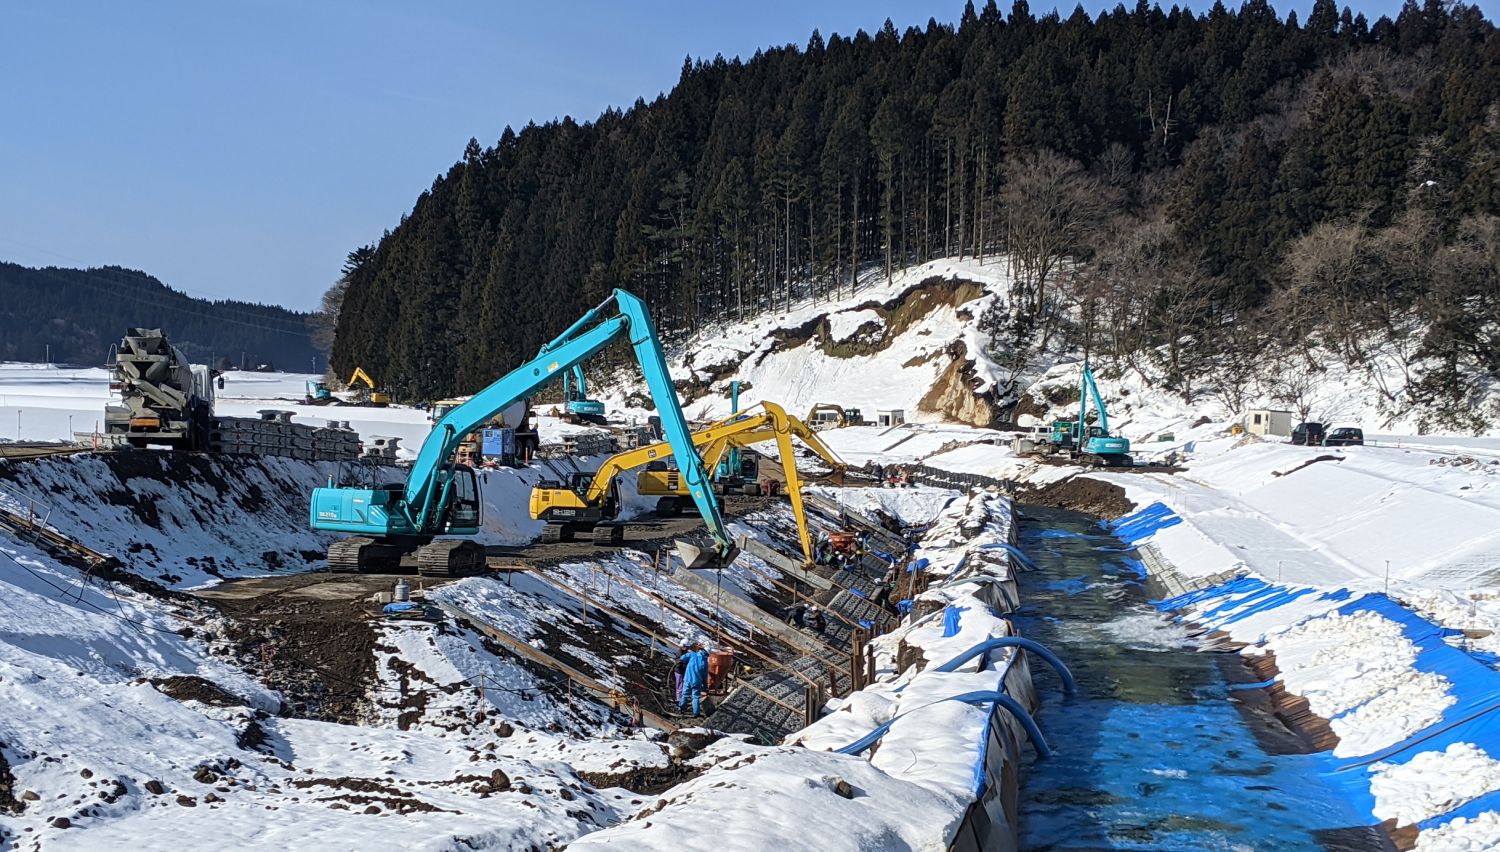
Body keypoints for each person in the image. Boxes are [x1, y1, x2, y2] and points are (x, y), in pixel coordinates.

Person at [678, 642, 710, 717]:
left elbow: (682, 658)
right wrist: (705, 686)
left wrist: (688, 654)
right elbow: (705, 676)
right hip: (697, 681)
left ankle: (681, 709)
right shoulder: (705, 662)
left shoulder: (692, 655)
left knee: (685, 694)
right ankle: (696, 713)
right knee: (695, 696)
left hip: (688, 679)